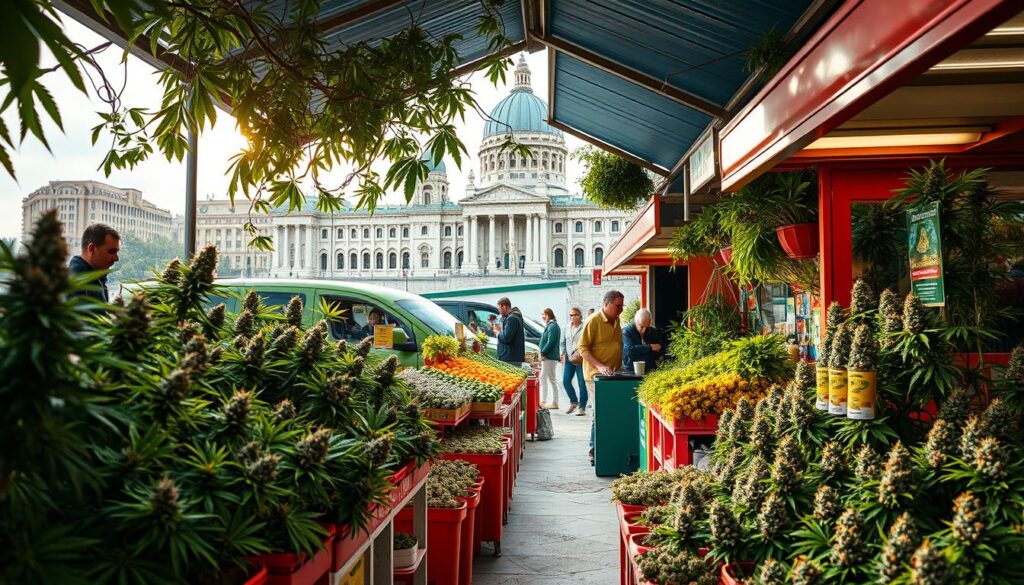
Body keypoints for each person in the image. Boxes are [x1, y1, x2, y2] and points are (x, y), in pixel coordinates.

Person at [578, 290, 625, 465]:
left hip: (612, 374)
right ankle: (594, 450)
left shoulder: (616, 319)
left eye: (621, 306)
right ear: (606, 304)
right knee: (599, 413)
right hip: (595, 375)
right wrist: (600, 365)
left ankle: (607, 449)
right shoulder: (594, 321)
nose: (620, 309)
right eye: (617, 306)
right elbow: (583, 349)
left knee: (609, 413)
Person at [68, 223, 120, 303]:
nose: (116, 258)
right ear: (92, 249)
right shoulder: (77, 283)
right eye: (111, 251)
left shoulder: (94, 277)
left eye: (116, 252)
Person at [561, 307, 587, 415]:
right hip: (569, 358)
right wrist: (562, 353)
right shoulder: (567, 327)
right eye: (571, 315)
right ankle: (573, 401)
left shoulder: (584, 327)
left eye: (575, 314)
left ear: (580, 315)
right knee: (566, 381)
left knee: (582, 383)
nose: (573, 317)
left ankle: (582, 407)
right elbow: (563, 342)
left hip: (581, 358)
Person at [622, 308, 663, 374]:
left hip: (650, 369)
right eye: (641, 326)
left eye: (646, 327)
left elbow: (659, 349)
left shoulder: (652, 331)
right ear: (636, 322)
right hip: (631, 370)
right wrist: (650, 347)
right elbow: (629, 350)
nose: (644, 330)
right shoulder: (627, 331)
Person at [538, 308, 561, 409]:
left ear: (548, 314)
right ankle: (554, 402)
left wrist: (543, 352)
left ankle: (543, 401)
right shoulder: (552, 326)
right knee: (552, 379)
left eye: (544, 314)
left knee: (543, 378)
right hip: (550, 357)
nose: (542, 317)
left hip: (549, 357)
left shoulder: (552, 326)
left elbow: (550, 342)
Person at [493, 297, 525, 364]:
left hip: (510, 358)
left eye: (499, 308)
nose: (499, 311)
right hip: (513, 357)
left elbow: (506, 338)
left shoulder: (512, 318)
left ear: (504, 307)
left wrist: (498, 332)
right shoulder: (515, 316)